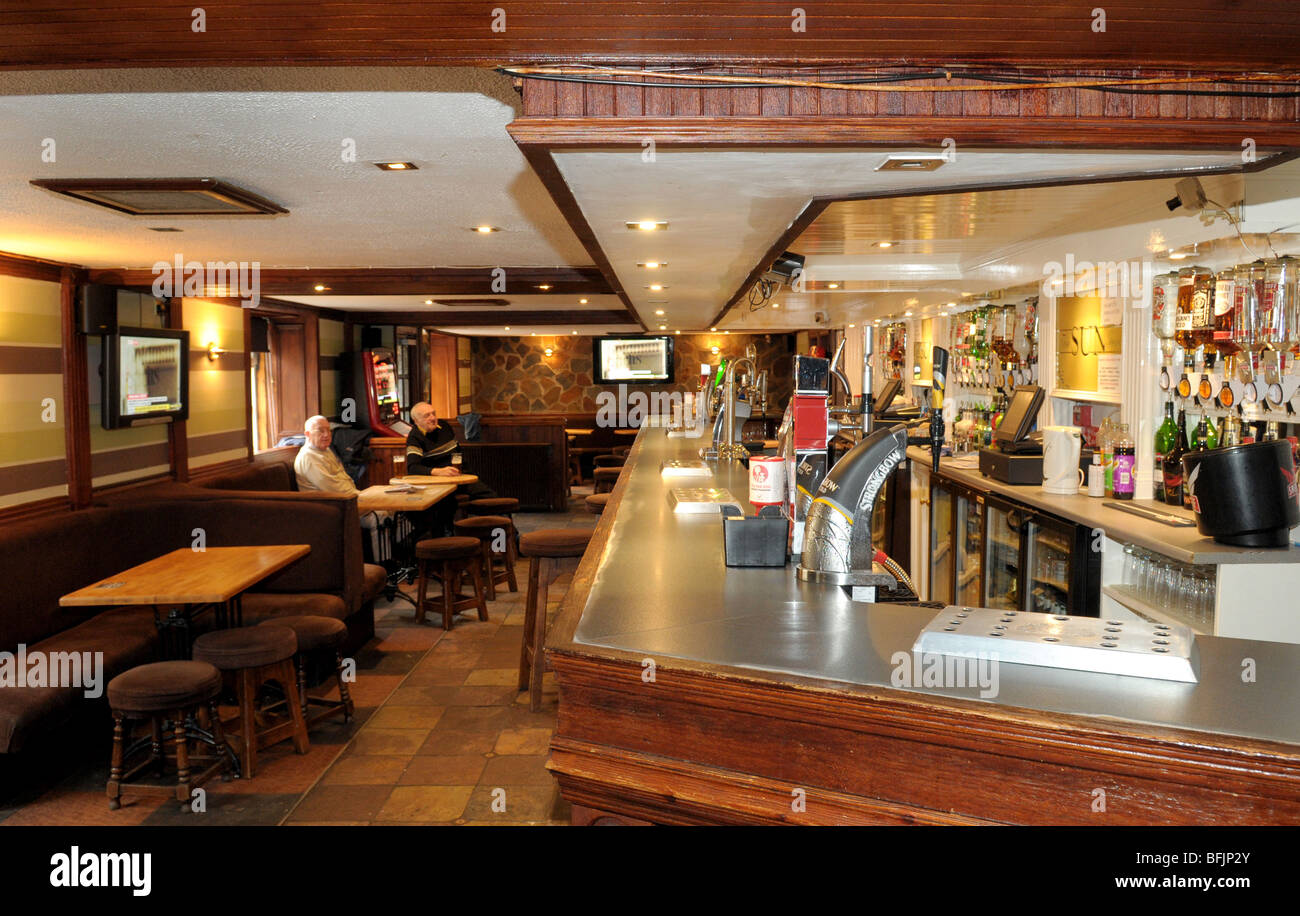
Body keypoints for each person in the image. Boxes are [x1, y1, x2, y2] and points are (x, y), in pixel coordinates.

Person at [405, 402, 496, 535]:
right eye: (426, 416)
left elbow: (457, 452)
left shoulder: (444, 426)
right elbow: (413, 468)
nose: (432, 418)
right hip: (439, 484)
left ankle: (506, 536)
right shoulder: (415, 437)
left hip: (460, 477)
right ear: (416, 421)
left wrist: (464, 471)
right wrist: (438, 471)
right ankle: (447, 539)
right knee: (443, 506)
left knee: (491, 498)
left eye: (433, 413)